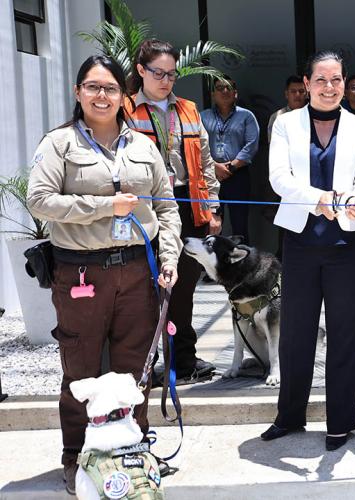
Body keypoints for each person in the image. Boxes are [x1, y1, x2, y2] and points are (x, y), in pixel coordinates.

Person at [26, 55, 181, 495]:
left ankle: (136, 448)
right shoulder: (59, 144)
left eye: (110, 88)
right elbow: (39, 200)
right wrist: (102, 207)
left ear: (122, 95)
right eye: (92, 87)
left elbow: (167, 208)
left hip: (137, 272)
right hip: (81, 274)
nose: (101, 95)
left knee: (137, 369)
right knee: (81, 368)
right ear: (78, 93)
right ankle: (76, 456)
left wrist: (168, 257)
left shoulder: (142, 146)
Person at [260, 51, 355, 452]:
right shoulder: (286, 124)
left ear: (345, 84)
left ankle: (341, 421)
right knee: (296, 332)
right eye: (322, 80)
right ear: (307, 84)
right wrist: (319, 199)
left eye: (337, 80)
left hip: (348, 244)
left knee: (346, 333)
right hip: (300, 240)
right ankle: (289, 416)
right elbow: (279, 177)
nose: (330, 88)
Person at [124, 38, 222, 383]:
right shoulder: (124, 110)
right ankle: (143, 365)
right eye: (158, 73)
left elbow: (206, 163)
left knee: (182, 289)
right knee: (143, 290)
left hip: (188, 205)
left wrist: (213, 208)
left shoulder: (189, 110)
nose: (166, 80)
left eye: (171, 74)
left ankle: (184, 360)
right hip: (143, 210)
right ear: (141, 71)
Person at [201, 74, 260, 244]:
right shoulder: (202, 117)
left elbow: (251, 145)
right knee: (211, 224)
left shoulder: (246, 116)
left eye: (229, 88)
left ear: (235, 93)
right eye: (220, 88)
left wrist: (231, 167)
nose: (225, 91)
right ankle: (212, 268)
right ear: (213, 94)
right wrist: (214, 167)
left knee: (239, 225)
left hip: (238, 176)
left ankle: (242, 267)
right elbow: (196, 146)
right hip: (210, 177)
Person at [267, 75, 307, 145]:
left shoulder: (313, 116)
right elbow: (275, 146)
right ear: (286, 94)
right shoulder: (277, 117)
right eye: (293, 91)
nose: (297, 94)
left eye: (301, 91)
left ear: (306, 94)